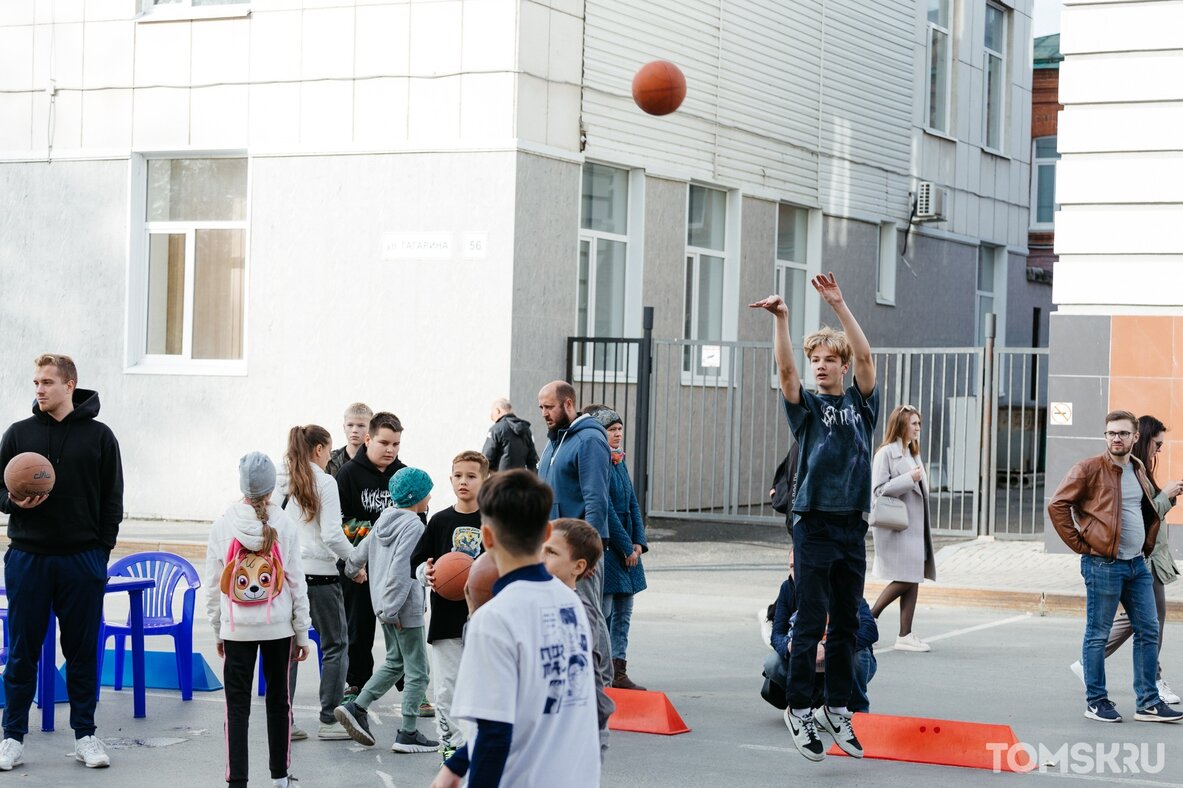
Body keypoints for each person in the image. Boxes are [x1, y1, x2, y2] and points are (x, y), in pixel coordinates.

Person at [750, 272, 879, 762]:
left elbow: (866, 357)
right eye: (815, 360)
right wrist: (782, 320)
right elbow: (786, 374)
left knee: (846, 621)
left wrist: (841, 306)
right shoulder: (805, 410)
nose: (820, 367)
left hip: (851, 523)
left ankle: (838, 708)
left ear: (843, 366)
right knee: (810, 622)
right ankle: (800, 707)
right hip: (813, 521)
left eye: (829, 360)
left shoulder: (861, 406)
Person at [431, 470, 599, 788]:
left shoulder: (494, 618)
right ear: (547, 531)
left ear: (487, 538)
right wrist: (456, 765)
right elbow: (524, 707)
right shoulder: (571, 602)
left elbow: (494, 732)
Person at [0, 353, 124, 771]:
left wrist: (99, 554)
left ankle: (86, 735)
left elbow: (112, 501)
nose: (39, 389)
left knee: (82, 652)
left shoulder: (100, 437)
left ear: (70, 385)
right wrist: (14, 500)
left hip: (80, 560)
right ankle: (12, 737)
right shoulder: (18, 435)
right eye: (36, 381)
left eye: (48, 382)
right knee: (21, 651)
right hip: (28, 558)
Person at [1048, 410, 1182, 723]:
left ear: (1136, 437)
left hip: (1136, 564)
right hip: (1103, 565)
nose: (1116, 439)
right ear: (1106, 436)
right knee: (1097, 634)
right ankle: (1096, 701)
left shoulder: (1136, 468)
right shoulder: (1089, 469)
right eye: (1111, 433)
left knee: (1148, 630)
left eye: (1122, 433)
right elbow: (1057, 505)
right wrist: (1081, 545)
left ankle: (1148, 702)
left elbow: (1146, 510)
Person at [205, 452, 311, 788]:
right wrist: (302, 632)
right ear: (270, 488)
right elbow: (296, 582)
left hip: (237, 629)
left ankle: (238, 781)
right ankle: (280, 778)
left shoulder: (223, 524)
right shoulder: (285, 524)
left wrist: (219, 629)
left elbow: (213, 585)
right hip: (278, 627)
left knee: (236, 707)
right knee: (279, 701)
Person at [336, 467, 439, 753]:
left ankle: (357, 706)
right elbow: (400, 570)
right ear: (417, 496)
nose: (431, 496)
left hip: (385, 605)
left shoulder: (383, 520)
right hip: (402, 609)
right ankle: (407, 732)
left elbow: (358, 553)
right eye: (428, 491)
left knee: (396, 662)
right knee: (418, 670)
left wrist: (353, 568)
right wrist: (393, 609)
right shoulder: (415, 526)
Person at [409, 450, 489, 760]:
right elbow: (417, 561)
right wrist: (426, 573)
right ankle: (452, 744)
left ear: (485, 480)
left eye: (471, 476)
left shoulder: (494, 521)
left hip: (484, 618)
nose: (464, 482)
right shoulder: (440, 521)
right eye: (458, 476)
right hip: (445, 618)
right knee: (447, 687)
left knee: (483, 686)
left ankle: (479, 745)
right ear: (450, 479)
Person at [280, 424, 356, 741]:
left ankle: (283, 721)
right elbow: (331, 535)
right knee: (335, 645)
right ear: (320, 449)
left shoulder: (283, 481)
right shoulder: (325, 482)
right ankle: (328, 720)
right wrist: (355, 560)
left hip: (288, 575)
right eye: (328, 450)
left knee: (288, 647)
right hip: (321, 575)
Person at [537, 381, 615, 677]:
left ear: (568, 404)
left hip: (579, 548)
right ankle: (572, 677)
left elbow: (596, 497)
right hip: (552, 547)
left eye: (549, 407)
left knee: (587, 612)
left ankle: (602, 682)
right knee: (562, 613)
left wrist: (590, 552)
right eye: (541, 407)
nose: (544, 413)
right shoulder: (555, 440)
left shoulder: (589, 440)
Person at [335, 411, 406, 703]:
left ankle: (411, 683)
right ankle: (356, 683)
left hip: (393, 567)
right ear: (368, 439)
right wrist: (360, 557)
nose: (390, 450)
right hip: (358, 566)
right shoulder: (348, 474)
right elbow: (340, 522)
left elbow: (415, 519)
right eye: (384, 443)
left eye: (396, 444)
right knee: (359, 627)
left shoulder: (403, 475)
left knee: (403, 628)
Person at [585, 406, 650, 691]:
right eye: (612, 430)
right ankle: (601, 669)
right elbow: (606, 509)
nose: (618, 434)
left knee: (625, 610)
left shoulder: (619, 461)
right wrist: (626, 547)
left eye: (620, 429)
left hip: (628, 549)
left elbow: (632, 503)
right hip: (611, 547)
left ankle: (619, 669)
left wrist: (639, 542)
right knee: (606, 611)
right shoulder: (600, 462)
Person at [544, 518, 615, 760]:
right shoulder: (537, 600)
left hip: (578, 726)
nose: (541, 558)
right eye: (539, 548)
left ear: (578, 567)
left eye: (551, 552)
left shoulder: (578, 610)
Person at [870, 405, 937, 652]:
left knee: (913, 576)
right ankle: (868, 617)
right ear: (900, 425)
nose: (918, 427)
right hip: (897, 526)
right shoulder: (885, 454)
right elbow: (878, 491)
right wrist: (910, 479)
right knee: (907, 577)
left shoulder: (912, 453)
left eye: (919, 423)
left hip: (914, 529)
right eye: (914, 423)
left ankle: (905, 634)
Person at [482, 398, 540, 472]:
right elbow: (532, 460)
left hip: (501, 480)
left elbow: (486, 458)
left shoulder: (496, 429)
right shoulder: (526, 430)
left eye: (492, 415)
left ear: (497, 411)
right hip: (520, 479)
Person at [326, 402, 373, 478]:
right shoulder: (329, 460)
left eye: (361, 425)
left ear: (370, 429)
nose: (354, 430)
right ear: (344, 427)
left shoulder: (377, 461)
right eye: (350, 425)